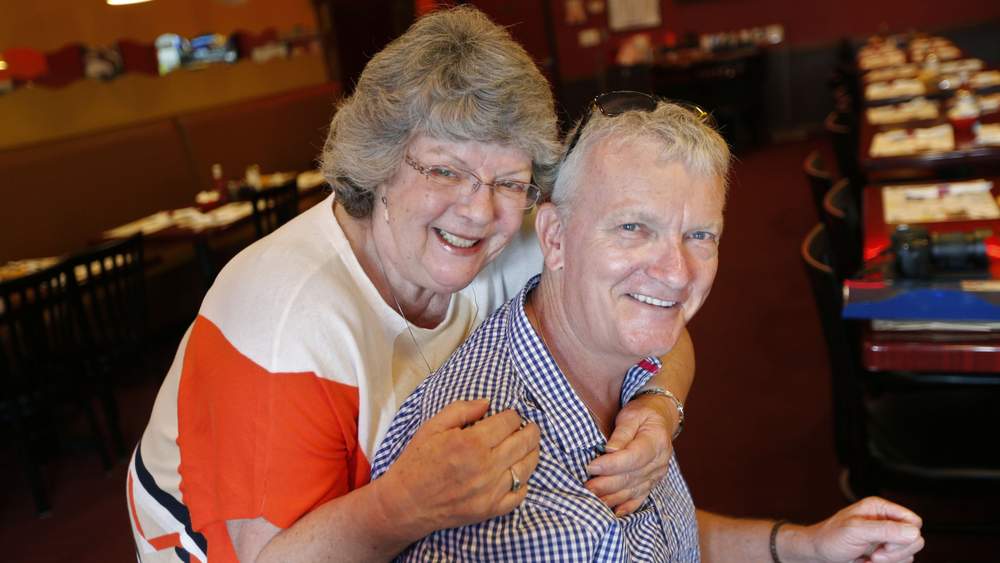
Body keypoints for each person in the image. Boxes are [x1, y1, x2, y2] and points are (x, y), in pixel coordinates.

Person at [127, 8, 695, 562]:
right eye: (446, 171)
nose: (478, 211)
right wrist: (405, 505)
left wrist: (658, 407)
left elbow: (656, 317)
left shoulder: (517, 238)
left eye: (509, 181)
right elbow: (272, 556)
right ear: (380, 162)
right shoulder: (287, 316)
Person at [372, 93, 925, 562]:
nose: (676, 272)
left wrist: (807, 545)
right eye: (634, 228)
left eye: (700, 236)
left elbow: (661, 538)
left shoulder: (605, 352)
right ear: (556, 238)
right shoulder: (506, 491)